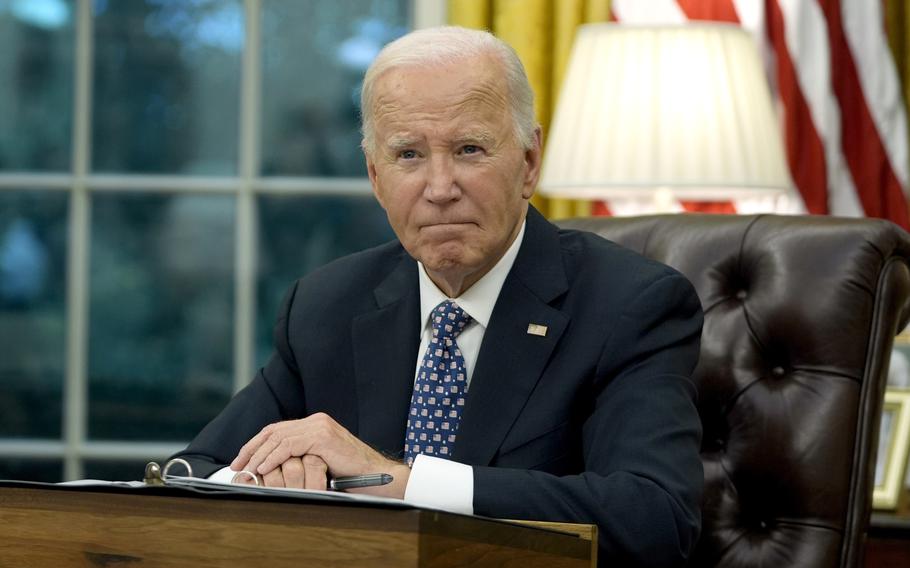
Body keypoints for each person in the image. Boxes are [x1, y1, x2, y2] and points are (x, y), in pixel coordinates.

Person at [172, 26, 704, 566]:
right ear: (376, 179)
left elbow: (654, 519)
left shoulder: (630, 305)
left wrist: (403, 485)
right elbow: (190, 476)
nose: (440, 187)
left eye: (469, 149)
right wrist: (261, 476)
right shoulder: (326, 304)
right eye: (408, 155)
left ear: (528, 162)